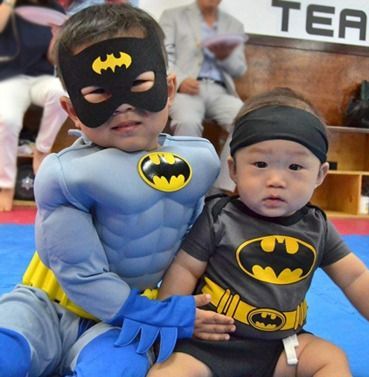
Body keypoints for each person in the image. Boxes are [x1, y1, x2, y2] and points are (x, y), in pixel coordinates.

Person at [0, 3, 235, 377]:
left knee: (117, 369)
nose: (124, 105)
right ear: (72, 109)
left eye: (140, 84)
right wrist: (162, 314)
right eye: (97, 93)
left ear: (169, 88)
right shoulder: (66, 175)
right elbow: (80, 271)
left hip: (117, 325)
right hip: (43, 305)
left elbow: (200, 244)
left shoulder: (201, 163)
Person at [147, 88, 369, 377]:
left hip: (283, 348)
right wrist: (171, 321)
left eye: (295, 166)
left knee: (331, 358)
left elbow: (356, 279)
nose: (276, 180)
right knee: (165, 372)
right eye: (260, 164)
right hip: (207, 346)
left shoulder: (317, 227)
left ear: (320, 175)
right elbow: (185, 269)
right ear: (232, 169)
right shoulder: (219, 217)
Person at [159, 0, 247, 194]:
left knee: (247, 120)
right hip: (186, 89)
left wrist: (225, 56)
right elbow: (163, 56)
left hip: (220, 91)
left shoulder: (234, 25)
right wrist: (180, 81)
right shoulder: (172, 16)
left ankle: (219, 192)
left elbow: (240, 69)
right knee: (187, 121)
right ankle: (187, 188)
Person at [0, 0, 68, 211]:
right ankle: (6, 186)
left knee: (60, 93)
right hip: (9, 78)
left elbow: (52, 58)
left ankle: (42, 150)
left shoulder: (54, 10)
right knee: (7, 120)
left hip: (41, 78)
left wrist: (58, 38)